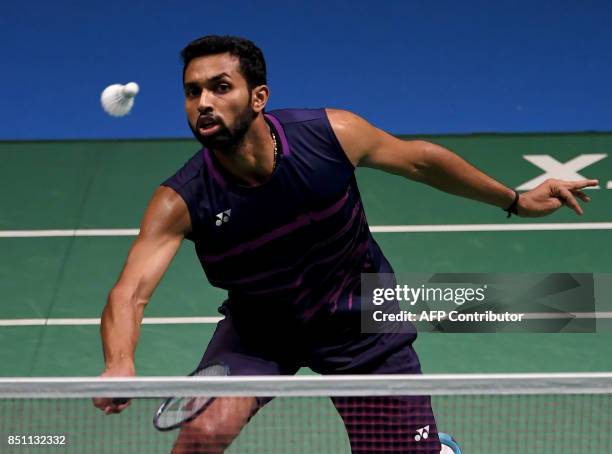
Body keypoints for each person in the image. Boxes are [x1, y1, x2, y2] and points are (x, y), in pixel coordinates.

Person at [92, 35, 598, 453]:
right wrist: (119, 361)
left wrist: (516, 200)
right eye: (192, 91)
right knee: (200, 437)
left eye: (220, 87)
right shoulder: (179, 200)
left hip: (361, 317)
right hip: (261, 329)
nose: (203, 102)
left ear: (258, 97)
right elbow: (129, 292)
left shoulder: (329, 135)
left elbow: (420, 159)